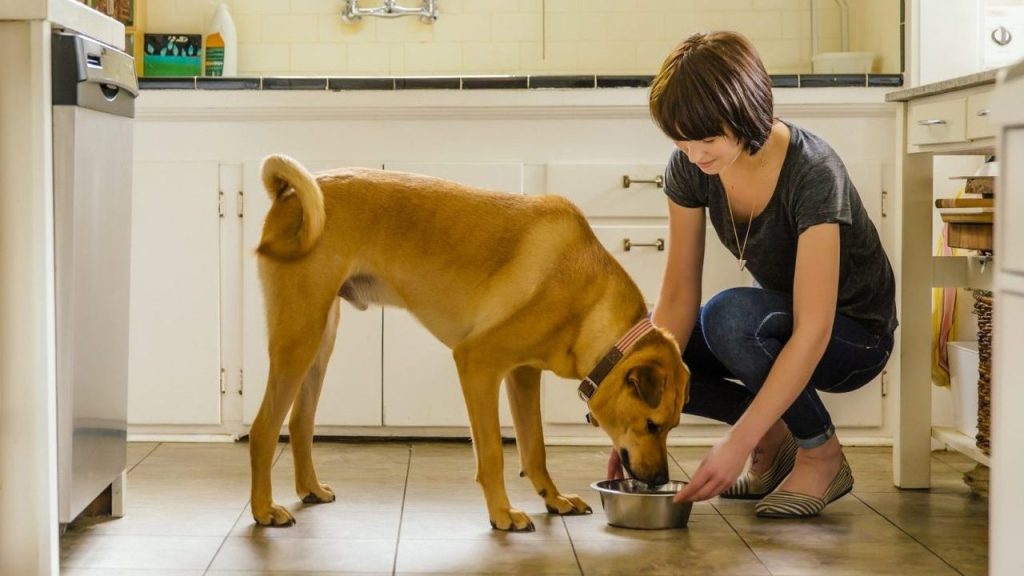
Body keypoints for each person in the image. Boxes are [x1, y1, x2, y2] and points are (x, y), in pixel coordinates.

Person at [607, 30, 897, 518]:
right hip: (777, 328)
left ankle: (821, 454)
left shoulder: (814, 171)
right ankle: (772, 437)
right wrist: (632, 417)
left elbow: (815, 328)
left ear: (745, 114)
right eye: (680, 139)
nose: (695, 154)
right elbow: (677, 296)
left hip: (853, 339)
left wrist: (734, 444)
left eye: (707, 138)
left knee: (729, 316)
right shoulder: (690, 167)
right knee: (652, 352)